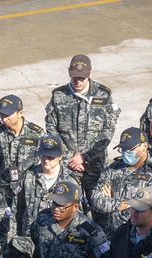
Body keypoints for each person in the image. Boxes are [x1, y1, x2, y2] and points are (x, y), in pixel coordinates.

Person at [45, 54, 121, 206]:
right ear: (69, 73)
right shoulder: (59, 96)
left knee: (100, 208)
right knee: (69, 207)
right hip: (68, 167)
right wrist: (70, 159)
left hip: (95, 165)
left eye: (82, 77)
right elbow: (51, 129)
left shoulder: (103, 95)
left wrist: (85, 156)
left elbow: (107, 131)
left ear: (90, 73)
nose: (78, 81)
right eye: (75, 77)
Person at [89, 127, 152, 233]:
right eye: (123, 149)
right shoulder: (113, 168)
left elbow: (145, 211)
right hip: (108, 235)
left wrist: (109, 204)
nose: (125, 153)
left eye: (130, 150)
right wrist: (121, 205)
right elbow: (95, 198)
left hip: (136, 235)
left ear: (144, 146)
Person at [0, 94, 44, 207]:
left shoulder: (36, 134)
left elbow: (44, 162)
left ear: (20, 113)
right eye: (2, 114)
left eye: (9, 115)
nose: (5, 119)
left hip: (28, 189)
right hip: (4, 188)